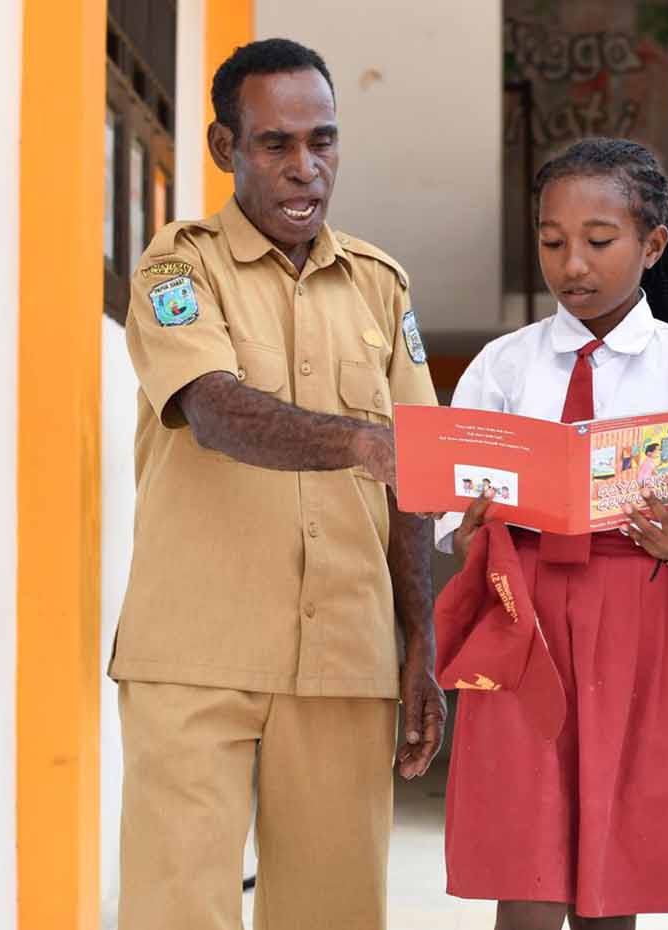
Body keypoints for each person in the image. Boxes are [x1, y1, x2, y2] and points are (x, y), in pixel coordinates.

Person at [110, 38, 443, 930]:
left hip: (345, 651)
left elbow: (416, 475)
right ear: (226, 147)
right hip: (196, 647)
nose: (306, 167)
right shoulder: (178, 267)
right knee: (177, 910)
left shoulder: (381, 286)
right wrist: (362, 443)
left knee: (334, 914)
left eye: (322, 141)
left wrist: (421, 639)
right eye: (276, 144)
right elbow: (214, 410)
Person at [434, 138, 668, 929]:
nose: (572, 264)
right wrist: (473, 531)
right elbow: (454, 521)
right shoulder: (503, 367)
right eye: (552, 242)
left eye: (599, 241)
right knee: (527, 858)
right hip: (526, 620)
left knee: (617, 862)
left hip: (643, 618)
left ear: (652, 244)